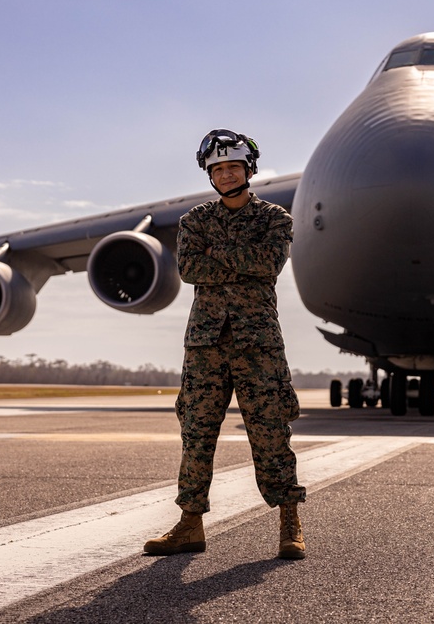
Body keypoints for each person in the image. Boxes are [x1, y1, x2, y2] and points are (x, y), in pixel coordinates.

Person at [143, 129, 307, 560]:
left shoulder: (276, 218)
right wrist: (238, 258)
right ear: (209, 174)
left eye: (233, 167)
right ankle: (190, 524)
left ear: (249, 170)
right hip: (205, 346)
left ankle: (289, 522)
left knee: (271, 434)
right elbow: (190, 270)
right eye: (218, 169)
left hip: (258, 344)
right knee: (196, 435)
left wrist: (219, 253)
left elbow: (267, 263)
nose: (227, 174)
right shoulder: (193, 221)